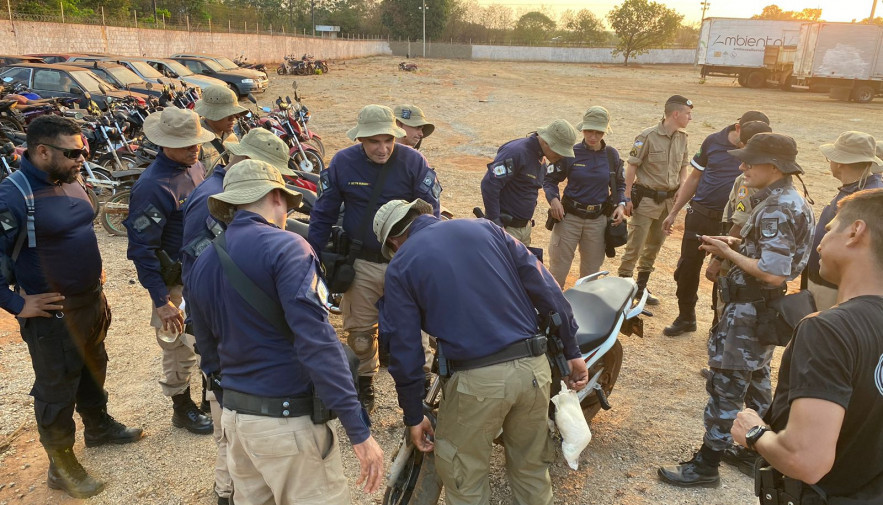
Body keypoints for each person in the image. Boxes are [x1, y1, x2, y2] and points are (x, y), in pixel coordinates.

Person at [188, 159, 384, 505]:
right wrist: (358, 430)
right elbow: (317, 342)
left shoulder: (203, 260)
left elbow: (206, 347)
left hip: (238, 421)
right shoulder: (288, 247)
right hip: (287, 421)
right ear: (277, 197)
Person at [374, 198, 589, 505]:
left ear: (393, 241)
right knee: (531, 469)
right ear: (422, 214)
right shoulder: (487, 229)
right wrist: (571, 349)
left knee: (465, 478)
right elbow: (547, 289)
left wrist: (413, 414)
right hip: (533, 369)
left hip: (477, 382)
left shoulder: (401, 265)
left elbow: (404, 348)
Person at [658, 133, 815, 487]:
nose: (742, 166)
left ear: (773, 167)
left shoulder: (776, 208)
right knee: (757, 381)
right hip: (761, 309)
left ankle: (706, 465)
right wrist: (736, 242)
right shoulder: (786, 200)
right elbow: (773, 254)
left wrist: (728, 254)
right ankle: (754, 451)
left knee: (726, 385)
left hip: (749, 311)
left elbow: (773, 272)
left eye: (749, 161)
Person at [0, 116, 142, 498]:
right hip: (53, 317)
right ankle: (60, 467)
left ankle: (98, 427)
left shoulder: (69, 177)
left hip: (91, 303)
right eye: (73, 152)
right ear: (42, 151)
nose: (82, 158)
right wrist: (15, 303)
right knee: (56, 390)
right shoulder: (14, 195)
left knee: (93, 369)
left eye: (84, 151)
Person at [731, 188, 883, 504]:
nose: (820, 244)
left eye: (829, 229)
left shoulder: (829, 330)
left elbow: (806, 460)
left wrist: (754, 432)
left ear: (855, 232)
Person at [180, 127, 294, 505]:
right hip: (219, 324)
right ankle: (226, 493)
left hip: (229, 322)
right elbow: (200, 270)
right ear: (245, 161)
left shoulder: (224, 192)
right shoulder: (211, 200)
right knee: (229, 422)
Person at [307, 104, 442, 413]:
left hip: (405, 263)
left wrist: (426, 260)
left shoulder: (414, 162)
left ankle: (420, 387)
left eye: (388, 140)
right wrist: (312, 261)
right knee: (361, 333)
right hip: (362, 263)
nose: (382, 149)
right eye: (373, 142)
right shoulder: (342, 163)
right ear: (360, 139)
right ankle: (364, 384)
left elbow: (431, 215)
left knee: (415, 328)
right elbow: (323, 214)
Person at [124, 107, 214, 435]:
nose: (194, 148)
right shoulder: (152, 186)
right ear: (164, 144)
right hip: (174, 283)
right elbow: (141, 249)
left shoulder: (195, 166)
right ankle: (182, 408)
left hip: (202, 271)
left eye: (196, 141)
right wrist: (161, 301)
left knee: (208, 338)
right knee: (177, 347)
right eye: (185, 144)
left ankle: (209, 399)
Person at [661, 111, 770, 336]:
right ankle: (686, 317)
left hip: (730, 224)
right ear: (738, 127)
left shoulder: (762, 156)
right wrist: (674, 212)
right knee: (687, 269)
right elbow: (694, 177)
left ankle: (717, 325)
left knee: (722, 274)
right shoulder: (713, 141)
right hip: (700, 215)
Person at [618, 95, 693, 305]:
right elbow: (632, 166)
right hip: (646, 200)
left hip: (668, 202)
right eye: (688, 114)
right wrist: (626, 196)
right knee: (635, 245)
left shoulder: (683, 138)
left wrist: (682, 187)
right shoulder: (647, 136)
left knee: (654, 246)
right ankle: (623, 288)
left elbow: (683, 166)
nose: (690, 118)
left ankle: (641, 287)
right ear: (675, 114)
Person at [544, 106, 625, 287]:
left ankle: (583, 304)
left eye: (598, 132)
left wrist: (621, 204)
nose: (593, 136)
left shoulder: (611, 155)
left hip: (597, 221)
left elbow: (620, 184)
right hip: (569, 218)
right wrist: (554, 200)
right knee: (557, 271)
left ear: (605, 132)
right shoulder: (571, 152)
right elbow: (550, 180)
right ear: (583, 129)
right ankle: (552, 304)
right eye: (589, 131)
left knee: (591, 275)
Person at [804, 131, 883, 311]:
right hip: (829, 283)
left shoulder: (867, 198)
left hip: (837, 289)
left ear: (839, 162)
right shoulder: (860, 189)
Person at [480, 119, 578, 246]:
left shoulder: (540, 157)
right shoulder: (516, 152)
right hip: (506, 228)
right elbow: (489, 184)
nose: (562, 156)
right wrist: (495, 223)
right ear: (547, 142)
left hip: (523, 228)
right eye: (560, 151)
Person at [195, 85, 246, 171]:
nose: (232, 118)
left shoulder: (231, 135)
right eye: (227, 114)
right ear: (211, 114)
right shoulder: (196, 141)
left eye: (234, 113)